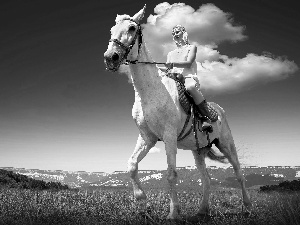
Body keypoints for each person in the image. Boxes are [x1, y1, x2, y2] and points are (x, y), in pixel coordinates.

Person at [164, 25, 217, 132]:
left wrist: (172, 64)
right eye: (173, 33)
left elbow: (188, 63)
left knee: (191, 87)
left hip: (188, 77)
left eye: (177, 32)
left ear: (184, 33)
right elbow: (168, 68)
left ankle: (205, 117)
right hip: (174, 78)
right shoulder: (170, 53)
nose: (175, 34)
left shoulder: (191, 48)